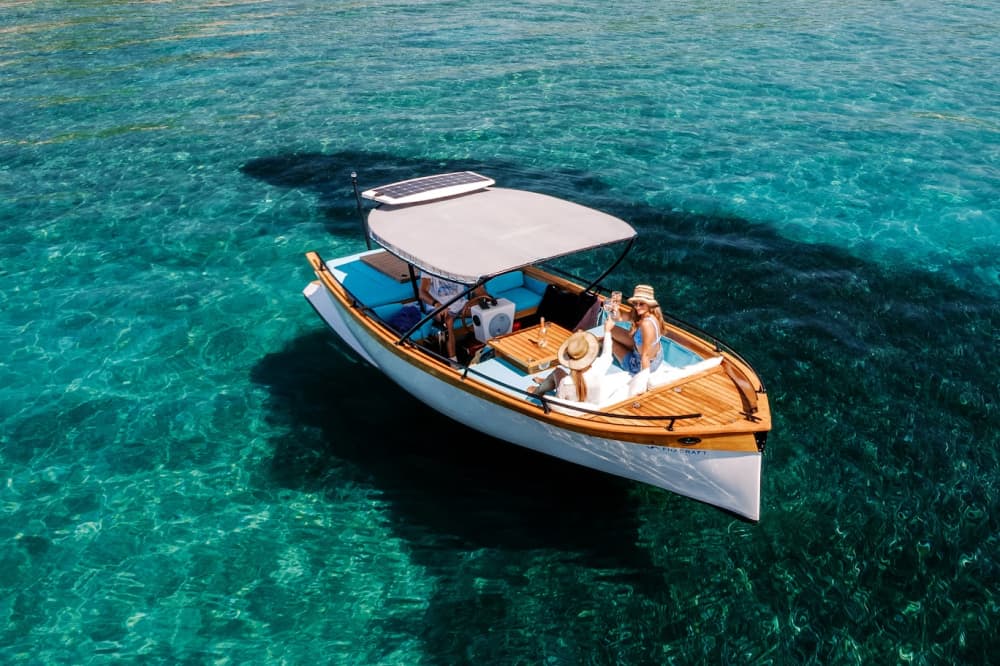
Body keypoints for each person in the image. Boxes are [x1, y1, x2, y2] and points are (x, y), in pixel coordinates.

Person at [528, 318, 627, 404]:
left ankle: (538, 391)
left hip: (570, 399)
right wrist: (607, 331)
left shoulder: (565, 382)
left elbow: (557, 403)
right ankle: (546, 383)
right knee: (558, 374)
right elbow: (607, 353)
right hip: (589, 402)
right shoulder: (598, 367)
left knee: (557, 371)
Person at [418, 272, 489, 362]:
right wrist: (436, 304)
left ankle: (487, 349)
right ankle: (453, 361)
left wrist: (485, 298)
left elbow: (475, 286)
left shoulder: (457, 264)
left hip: (460, 304)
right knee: (449, 321)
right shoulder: (429, 266)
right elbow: (422, 293)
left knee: (485, 309)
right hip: (438, 307)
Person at [610, 284, 664, 391]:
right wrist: (615, 308)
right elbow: (619, 318)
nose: (637, 307)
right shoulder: (646, 315)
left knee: (609, 341)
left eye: (641, 304)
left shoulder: (646, 324)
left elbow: (646, 356)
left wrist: (643, 384)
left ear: (649, 304)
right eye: (636, 303)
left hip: (640, 363)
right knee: (611, 329)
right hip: (657, 355)